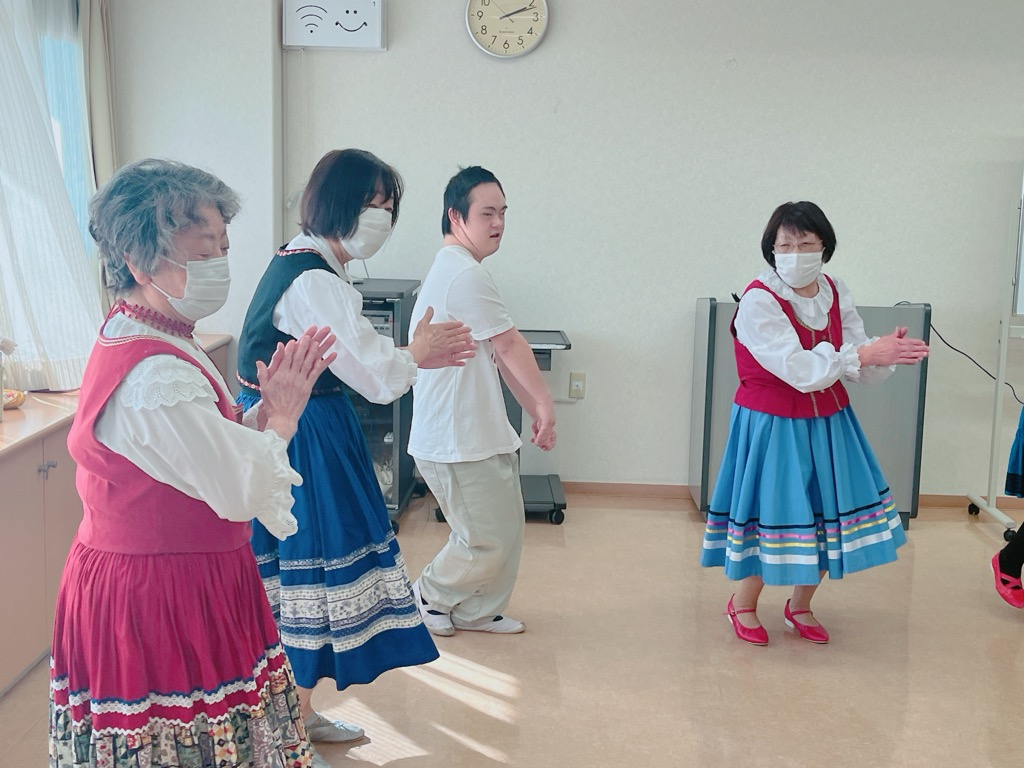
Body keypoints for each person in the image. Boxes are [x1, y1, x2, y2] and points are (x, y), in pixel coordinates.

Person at [50, 158, 338, 768]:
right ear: (139, 260)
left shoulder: (157, 332)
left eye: (223, 247)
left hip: (175, 575)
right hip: (159, 591)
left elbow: (196, 454)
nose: (219, 263)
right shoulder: (155, 372)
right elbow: (237, 489)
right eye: (203, 250)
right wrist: (282, 420)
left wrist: (259, 416)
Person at [235, 148, 476, 742]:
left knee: (310, 576)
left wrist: (408, 356)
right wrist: (418, 353)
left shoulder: (308, 262)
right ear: (336, 203)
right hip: (302, 434)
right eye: (373, 204)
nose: (382, 219)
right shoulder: (315, 278)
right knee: (309, 576)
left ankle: (299, 712)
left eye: (389, 208)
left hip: (307, 424)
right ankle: (288, 728)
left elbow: (364, 360)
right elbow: (375, 375)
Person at [700, 201, 929, 646]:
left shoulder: (835, 290)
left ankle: (800, 605)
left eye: (805, 243)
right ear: (771, 249)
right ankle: (742, 603)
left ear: (825, 247)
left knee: (828, 513)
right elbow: (799, 369)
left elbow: (854, 355)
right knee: (774, 513)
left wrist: (882, 353)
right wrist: (863, 354)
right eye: (785, 245)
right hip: (772, 424)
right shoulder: (759, 300)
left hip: (829, 420)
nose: (795, 253)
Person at [408, 165, 557, 637]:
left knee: (506, 531)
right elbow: (511, 345)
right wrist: (544, 402)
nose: (498, 223)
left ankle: (477, 611)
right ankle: (427, 595)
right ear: (456, 217)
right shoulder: (463, 274)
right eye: (487, 213)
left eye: (503, 213)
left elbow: (497, 352)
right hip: (455, 438)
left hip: (479, 430)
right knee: (484, 539)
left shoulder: (461, 271)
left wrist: (533, 408)